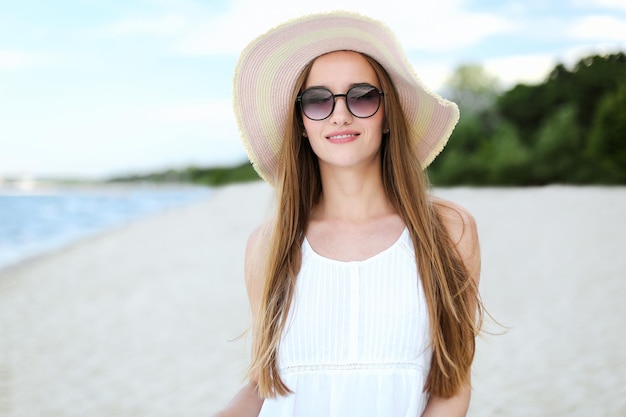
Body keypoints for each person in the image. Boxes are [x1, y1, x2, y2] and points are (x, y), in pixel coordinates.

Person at [215, 11, 484, 417]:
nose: (340, 114)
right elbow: (263, 383)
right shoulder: (268, 244)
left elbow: (453, 386)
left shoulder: (448, 230)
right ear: (301, 124)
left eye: (361, 96)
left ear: (388, 113)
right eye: (318, 100)